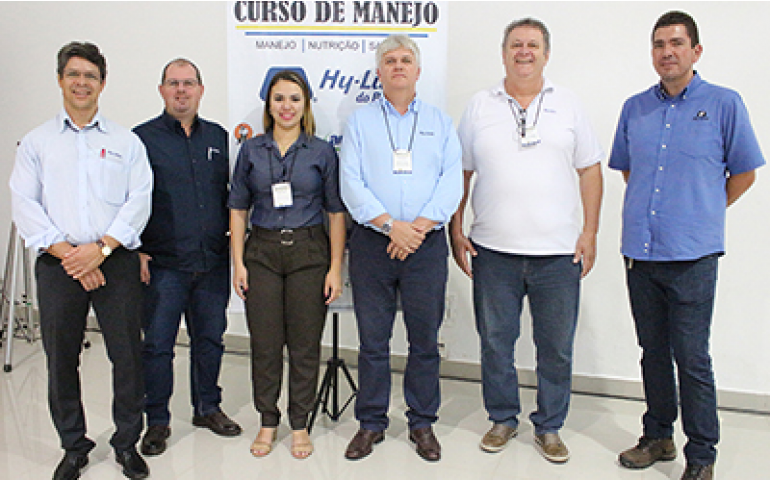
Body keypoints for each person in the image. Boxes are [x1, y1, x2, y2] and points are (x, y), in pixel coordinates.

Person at [609, 11, 765, 480]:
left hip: (693, 255)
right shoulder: (635, 108)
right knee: (651, 351)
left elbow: (745, 173)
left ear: (696, 51)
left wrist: (702, 210)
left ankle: (702, 454)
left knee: (692, 357)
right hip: (641, 252)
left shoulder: (723, 103)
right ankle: (658, 435)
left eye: (676, 43)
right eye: (658, 44)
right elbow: (627, 169)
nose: (666, 52)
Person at [449, 18, 603, 464]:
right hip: (493, 251)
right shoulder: (480, 106)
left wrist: (590, 231)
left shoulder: (569, 105)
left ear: (546, 54)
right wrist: (455, 227)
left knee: (555, 345)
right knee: (495, 340)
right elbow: (461, 173)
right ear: (503, 53)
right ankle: (502, 418)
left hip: (558, 254)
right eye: (516, 44)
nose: (524, 52)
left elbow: (590, 170)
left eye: (532, 45)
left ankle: (550, 426)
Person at [9, 42, 153, 480]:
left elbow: (139, 199)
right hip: (59, 265)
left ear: (103, 84)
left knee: (127, 356)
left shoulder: (126, 142)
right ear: (59, 80)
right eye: (73, 74)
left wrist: (102, 249)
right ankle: (74, 446)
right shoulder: (37, 142)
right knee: (61, 359)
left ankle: (127, 443)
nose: (81, 82)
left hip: (116, 259)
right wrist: (70, 255)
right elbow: (24, 203)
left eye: (90, 75)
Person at [340, 34, 463, 462]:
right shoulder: (359, 123)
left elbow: (452, 182)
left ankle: (422, 422)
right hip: (374, 244)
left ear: (418, 70)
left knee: (424, 340)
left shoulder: (440, 122)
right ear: (379, 72)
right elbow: (351, 184)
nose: (398, 66)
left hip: (425, 247)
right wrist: (393, 227)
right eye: (389, 60)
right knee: (373, 341)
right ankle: (371, 422)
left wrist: (418, 228)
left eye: (405, 60)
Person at [229, 69, 346, 460]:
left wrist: (334, 267)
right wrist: (238, 264)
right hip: (260, 252)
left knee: (303, 344)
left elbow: (335, 213)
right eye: (279, 98)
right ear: (268, 104)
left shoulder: (322, 152)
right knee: (264, 344)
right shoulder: (251, 150)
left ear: (306, 104)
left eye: (294, 98)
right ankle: (267, 420)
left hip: (309, 254)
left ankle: (299, 422)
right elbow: (238, 209)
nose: (287, 106)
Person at [132, 58, 241, 458]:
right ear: (161, 90)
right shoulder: (140, 139)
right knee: (158, 345)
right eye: (174, 83)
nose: (181, 90)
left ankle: (207, 408)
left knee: (210, 339)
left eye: (189, 83)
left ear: (201, 89)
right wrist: (137, 250)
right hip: (162, 264)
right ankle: (156, 420)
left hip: (211, 262)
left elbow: (235, 197)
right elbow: (128, 198)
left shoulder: (219, 137)